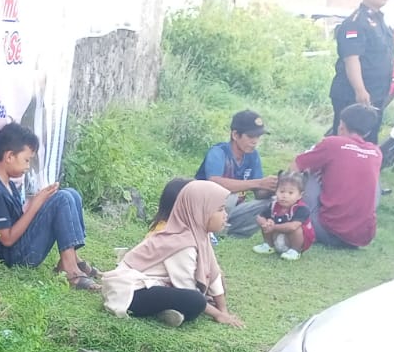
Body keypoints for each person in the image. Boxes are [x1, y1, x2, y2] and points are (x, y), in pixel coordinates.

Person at [0, 123, 101, 290]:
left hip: (19, 246)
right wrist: (36, 205)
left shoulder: (8, 185)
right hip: (12, 257)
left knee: (71, 194)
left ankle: (72, 259)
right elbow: (7, 239)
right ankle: (70, 271)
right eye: (26, 160)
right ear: (9, 156)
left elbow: (18, 219)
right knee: (62, 199)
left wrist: (41, 200)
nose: (28, 166)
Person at [98, 181, 244, 328]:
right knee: (196, 300)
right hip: (131, 290)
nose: (225, 215)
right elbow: (186, 287)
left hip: (156, 285)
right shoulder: (181, 243)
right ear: (201, 211)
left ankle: (166, 311)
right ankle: (161, 310)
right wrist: (218, 314)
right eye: (220, 210)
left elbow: (214, 273)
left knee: (201, 295)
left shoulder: (200, 236)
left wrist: (223, 310)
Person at [294, 103, 383, 248]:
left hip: (327, 231)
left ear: (341, 125)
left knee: (306, 173)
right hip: (362, 237)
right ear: (367, 132)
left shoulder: (332, 143)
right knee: (372, 179)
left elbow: (295, 166)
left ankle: (285, 211)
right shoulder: (376, 152)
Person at [331, 0, 394, 145]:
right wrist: (360, 90)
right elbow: (351, 58)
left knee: (368, 142)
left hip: (376, 92)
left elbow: (384, 54)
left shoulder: (381, 20)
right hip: (353, 94)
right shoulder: (356, 22)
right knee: (347, 144)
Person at [193, 109, 278, 236]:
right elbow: (214, 182)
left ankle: (226, 231)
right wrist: (258, 183)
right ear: (235, 135)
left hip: (230, 211)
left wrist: (274, 188)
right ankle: (211, 230)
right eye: (250, 136)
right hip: (204, 209)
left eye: (258, 137)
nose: (255, 141)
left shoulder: (253, 155)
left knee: (272, 202)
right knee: (228, 195)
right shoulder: (218, 152)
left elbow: (259, 194)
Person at [252, 171, 313, 259]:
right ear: (276, 191)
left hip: (293, 241)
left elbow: (293, 227)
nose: (284, 196)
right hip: (277, 236)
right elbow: (259, 217)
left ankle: (295, 251)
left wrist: (273, 227)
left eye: (290, 193)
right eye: (281, 191)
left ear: (300, 195)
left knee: (297, 229)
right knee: (267, 221)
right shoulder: (273, 205)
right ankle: (268, 245)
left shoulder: (302, 208)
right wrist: (265, 224)